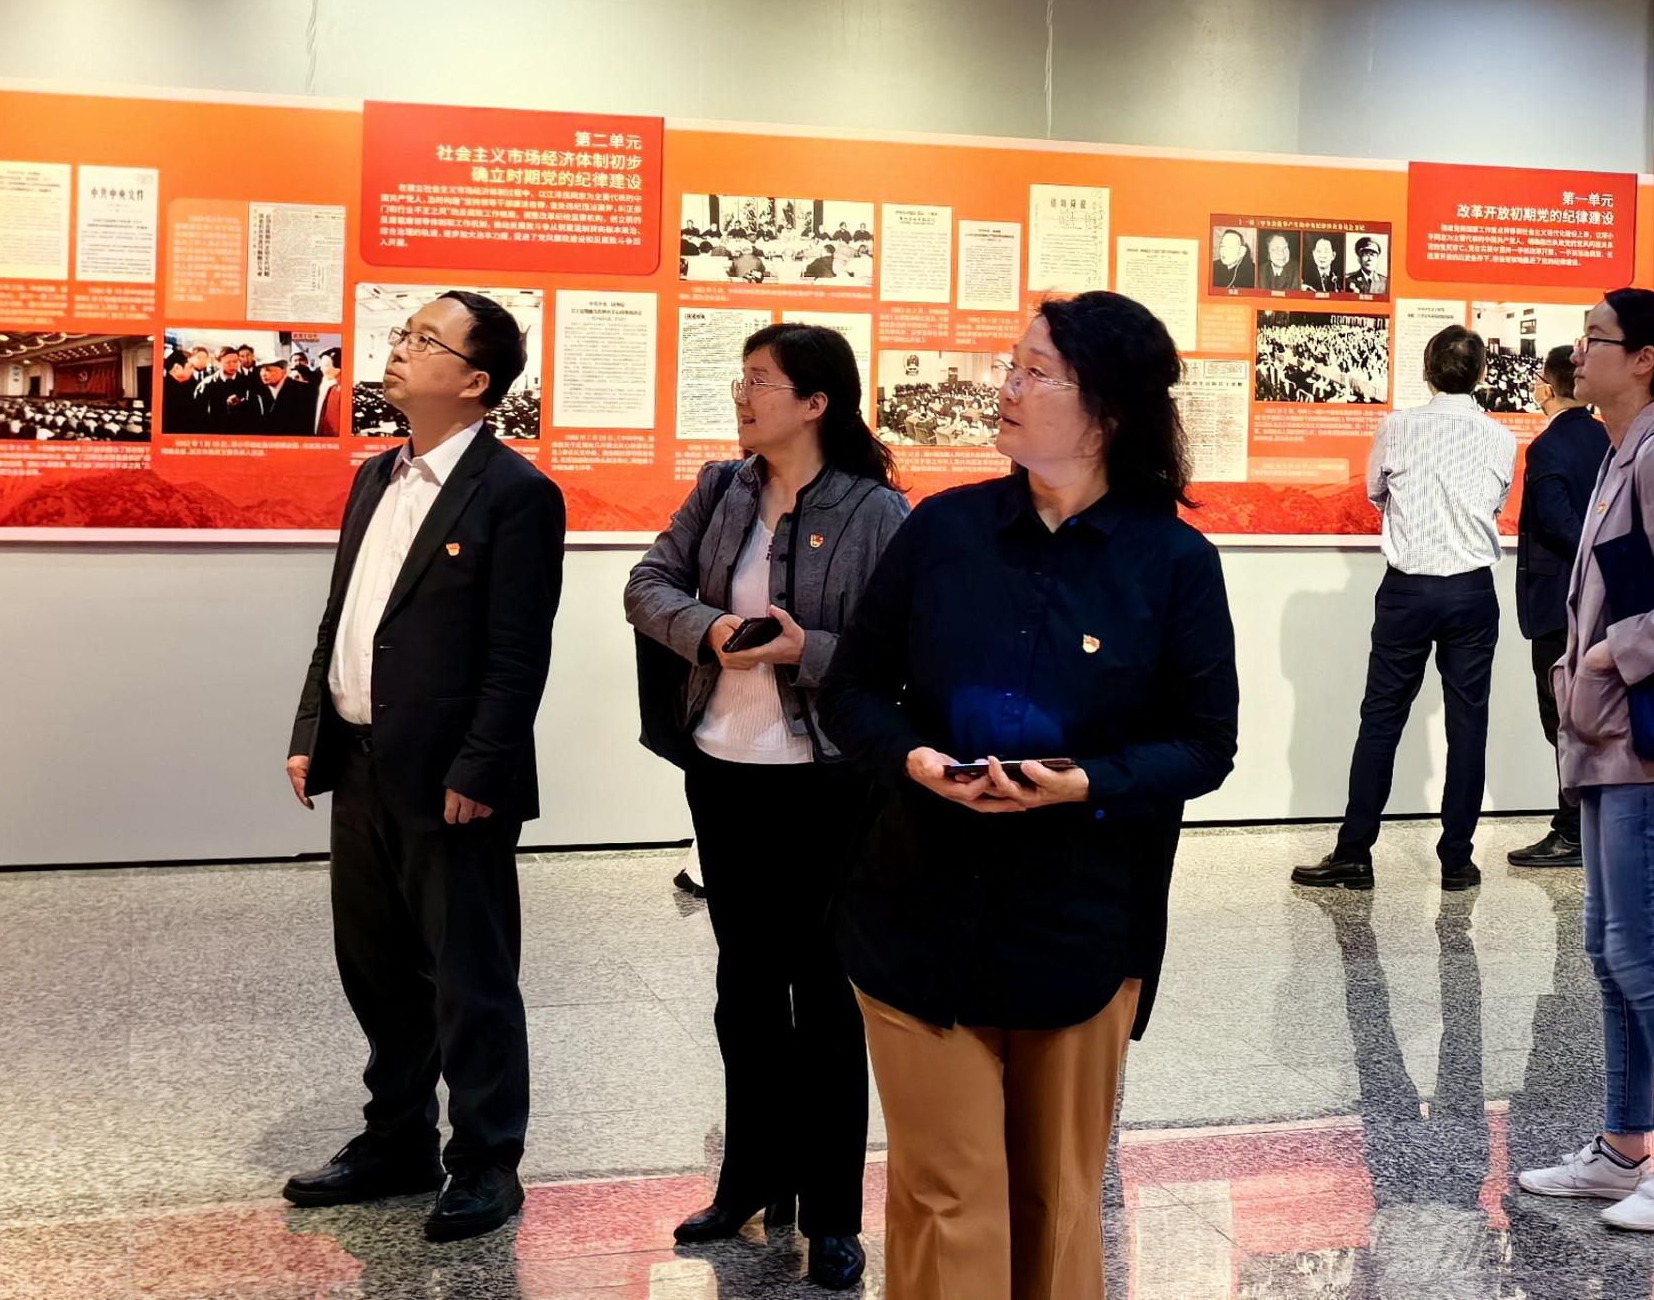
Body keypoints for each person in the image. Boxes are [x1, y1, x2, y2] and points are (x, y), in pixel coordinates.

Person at [820, 294, 1234, 1300]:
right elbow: (852, 687)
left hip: (1080, 916)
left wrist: (1083, 782)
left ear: (1108, 410)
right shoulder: (943, 529)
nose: (1005, 387)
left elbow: (1202, 744)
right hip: (917, 905)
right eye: (1011, 365)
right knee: (948, 1192)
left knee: (1056, 1198)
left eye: (1035, 371)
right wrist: (916, 760)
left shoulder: (1173, 562)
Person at [623, 320, 912, 1275]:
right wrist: (712, 631)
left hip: (827, 780)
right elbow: (646, 584)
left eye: (759, 380)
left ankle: (831, 1212)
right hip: (723, 767)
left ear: (816, 401)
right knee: (743, 987)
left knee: (824, 993)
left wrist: (806, 651)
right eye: (741, 378)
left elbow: (901, 652)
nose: (741, 396)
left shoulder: (876, 511)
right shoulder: (723, 488)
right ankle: (750, 1178)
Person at [277, 291, 565, 1247]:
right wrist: (313, 726)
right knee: (376, 969)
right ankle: (397, 1138)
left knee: (469, 976)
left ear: (475, 380)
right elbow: (343, 617)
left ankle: (486, 1159)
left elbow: (519, 655)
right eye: (403, 333)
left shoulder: (516, 493)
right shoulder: (377, 475)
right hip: (362, 763)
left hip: (452, 782)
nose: (398, 349)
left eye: (423, 339)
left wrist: (481, 768)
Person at [1515, 286, 1654, 1234]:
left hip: (1648, 743)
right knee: (1610, 951)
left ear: (1644, 358)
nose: (1579, 352)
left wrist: (1608, 655)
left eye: (1595, 338)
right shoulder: (1618, 451)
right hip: (1607, 739)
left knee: (1641, 953)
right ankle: (1622, 1146)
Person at [1292, 323, 1517, 894]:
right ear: (1481, 375)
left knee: (1381, 719)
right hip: (1471, 591)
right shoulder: (1500, 437)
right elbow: (1495, 503)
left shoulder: (1398, 426)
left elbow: (1376, 491)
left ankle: (1354, 854)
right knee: (1468, 726)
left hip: (1408, 590)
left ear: (1426, 371)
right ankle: (1458, 861)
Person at [1510, 343, 1603, 871]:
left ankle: (1571, 831)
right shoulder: (1605, 437)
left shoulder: (1547, 448)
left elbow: (1558, 523)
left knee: (1563, 721)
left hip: (1559, 602)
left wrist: (1590, 552)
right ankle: (1588, 824)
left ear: (1546, 386)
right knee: (1591, 717)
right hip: (1601, 600)